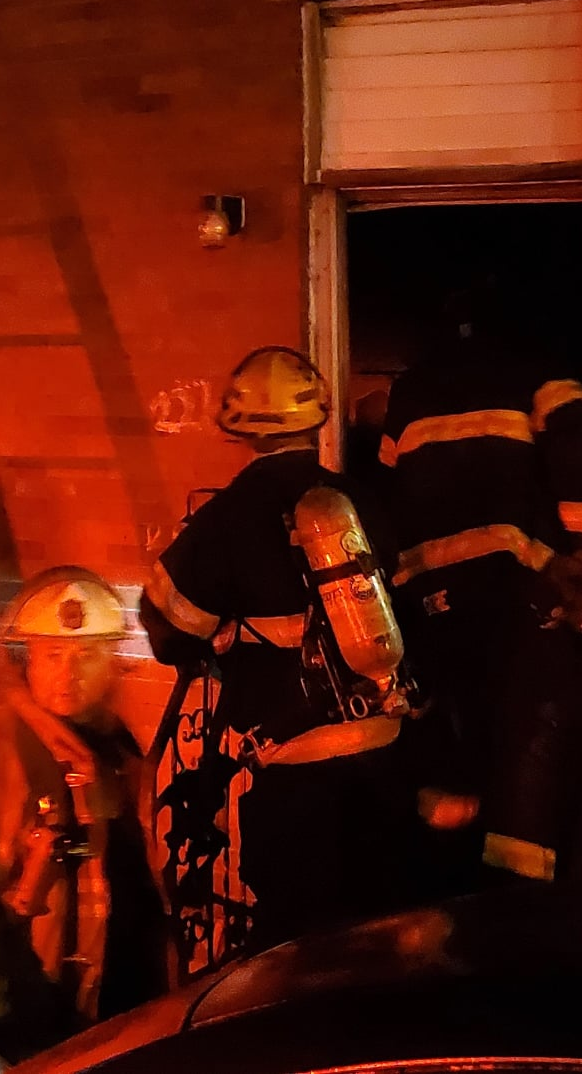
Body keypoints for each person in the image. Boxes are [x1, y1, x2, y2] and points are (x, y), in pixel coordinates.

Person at [141, 347, 447, 946]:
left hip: (296, 774)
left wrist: (226, 629)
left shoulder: (223, 520)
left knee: (299, 954)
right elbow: (411, 607)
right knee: (386, 935)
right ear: (319, 417)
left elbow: (168, 631)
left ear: (240, 429)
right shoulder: (361, 502)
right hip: (386, 761)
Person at [381, 284, 582, 887]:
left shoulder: (408, 393)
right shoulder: (542, 378)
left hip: (427, 609)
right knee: (534, 743)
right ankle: (520, 913)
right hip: (517, 599)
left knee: (447, 746)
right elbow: (580, 466)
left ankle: (441, 901)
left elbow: (387, 486)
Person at [0, 568, 168, 1059]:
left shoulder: (120, 755)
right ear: (25, 659)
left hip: (98, 1024)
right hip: (8, 1033)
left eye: (86, 655)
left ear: (111, 661)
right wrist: (0, 1037)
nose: (68, 672)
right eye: (52, 655)